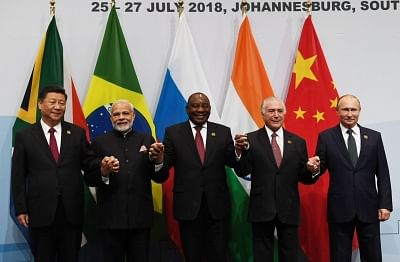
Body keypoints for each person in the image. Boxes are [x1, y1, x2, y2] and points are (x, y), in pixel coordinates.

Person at [11, 85, 106, 262]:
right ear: (40, 104)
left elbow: (89, 162)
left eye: (62, 103)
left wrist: (102, 163)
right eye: (52, 102)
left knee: (70, 257)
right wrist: (21, 208)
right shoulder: (25, 136)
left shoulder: (76, 133)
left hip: (71, 211)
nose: (58, 107)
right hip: (40, 211)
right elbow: (18, 176)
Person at [234, 96, 319, 262]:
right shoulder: (250, 139)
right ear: (262, 114)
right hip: (261, 209)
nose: (276, 115)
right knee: (262, 255)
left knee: (290, 255)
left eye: (280, 111)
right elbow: (242, 170)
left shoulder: (297, 142)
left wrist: (311, 170)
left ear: (285, 113)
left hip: (289, 208)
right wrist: (238, 152)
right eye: (271, 111)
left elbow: (304, 178)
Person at [310, 94, 392, 262]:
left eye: (353, 109)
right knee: (339, 256)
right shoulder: (326, 137)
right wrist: (314, 168)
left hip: (369, 207)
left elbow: (382, 172)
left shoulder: (374, 137)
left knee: (373, 256)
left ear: (359, 111)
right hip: (340, 207)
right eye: (345, 109)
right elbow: (320, 167)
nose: (349, 114)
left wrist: (385, 204)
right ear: (337, 111)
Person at [84, 99, 167, 262]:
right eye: (116, 114)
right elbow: (89, 178)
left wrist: (159, 161)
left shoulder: (147, 139)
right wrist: (104, 171)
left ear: (133, 116)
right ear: (111, 118)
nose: (121, 117)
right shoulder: (99, 142)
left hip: (141, 219)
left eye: (125, 113)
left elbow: (160, 177)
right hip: (110, 219)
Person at [161, 92, 237, 262]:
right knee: (192, 256)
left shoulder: (223, 132)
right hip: (188, 207)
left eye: (204, 106)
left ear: (210, 109)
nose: (200, 109)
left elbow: (234, 163)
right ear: (187, 109)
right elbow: (163, 169)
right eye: (195, 106)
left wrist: (239, 152)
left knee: (218, 256)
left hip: (217, 207)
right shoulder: (173, 133)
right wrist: (158, 160)